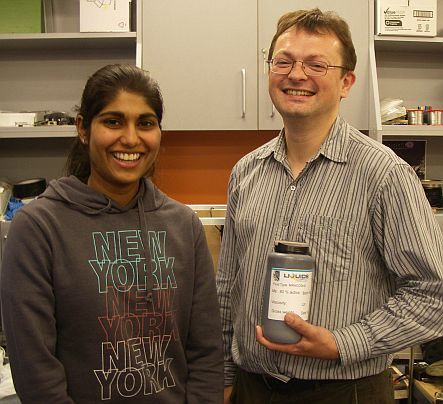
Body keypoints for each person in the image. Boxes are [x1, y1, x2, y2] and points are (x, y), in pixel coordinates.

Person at [216, 8, 443, 404]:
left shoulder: (384, 175)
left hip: (345, 391)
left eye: (316, 64)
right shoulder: (246, 172)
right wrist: (224, 376)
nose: (296, 74)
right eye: (283, 61)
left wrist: (343, 343)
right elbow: (226, 287)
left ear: (346, 82)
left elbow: (432, 295)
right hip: (252, 388)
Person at [0, 64, 223, 403]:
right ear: (83, 128)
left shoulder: (183, 225)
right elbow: (36, 373)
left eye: (145, 123)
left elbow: (206, 352)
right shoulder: (38, 228)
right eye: (113, 121)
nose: (131, 138)